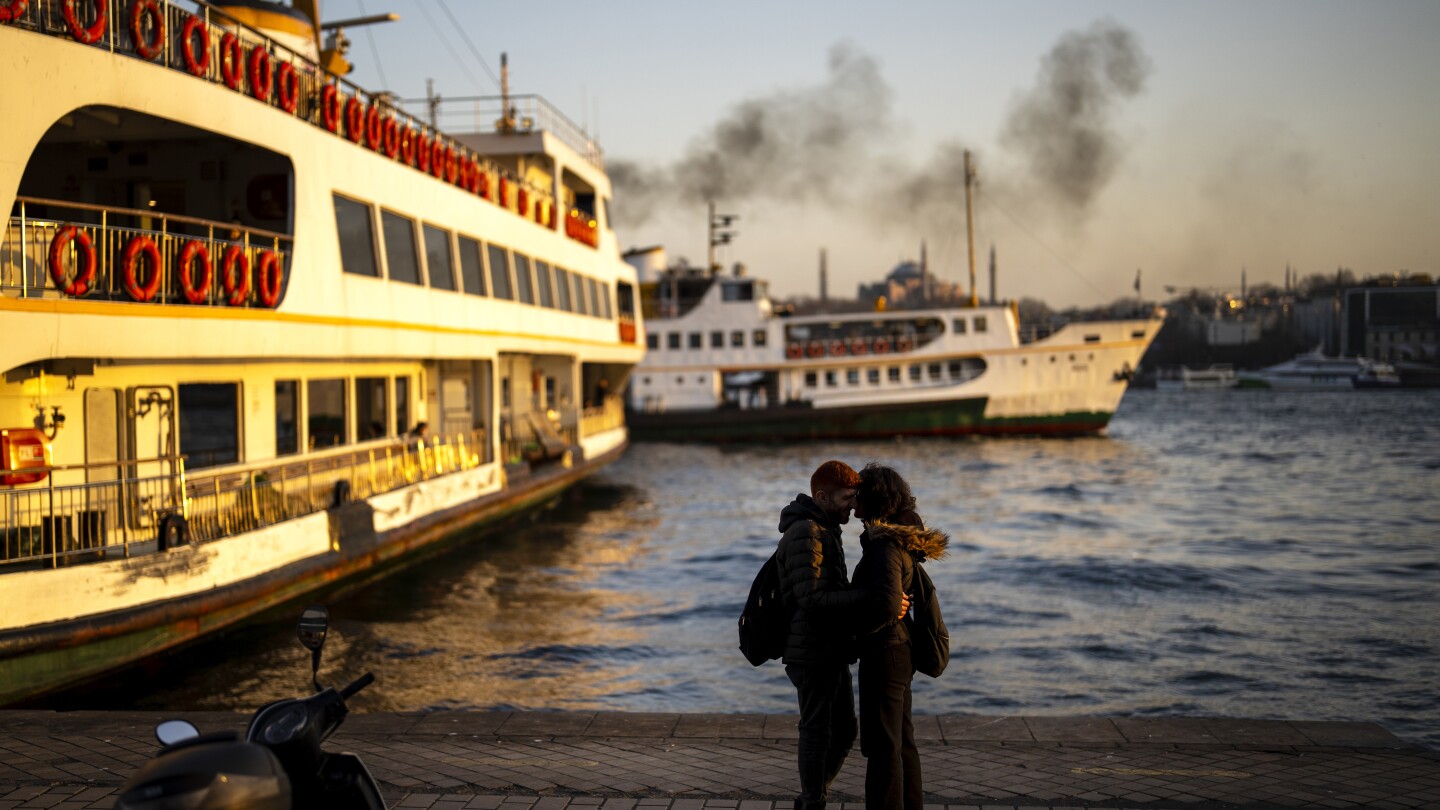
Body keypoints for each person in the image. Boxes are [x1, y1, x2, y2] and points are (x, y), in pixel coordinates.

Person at [851, 463, 948, 810]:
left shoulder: (883, 547)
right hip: (897, 651)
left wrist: (855, 629)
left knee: (884, 746)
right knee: (901, 741)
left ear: (873, 499)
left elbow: (886, 604)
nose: (852, 502)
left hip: (884, 652)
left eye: (857, 495)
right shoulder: (896, 541)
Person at [774, 460, 864, 810]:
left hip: (828, 646)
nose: (853, 506)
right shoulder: (806, 532)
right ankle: (813, 802)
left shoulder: (825, 528)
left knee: (843, 731)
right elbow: (810, 598)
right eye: (847, 498)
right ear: (823, 496)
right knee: (817, 730)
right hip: (811, 651)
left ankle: (812, 797)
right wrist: (869, 595)